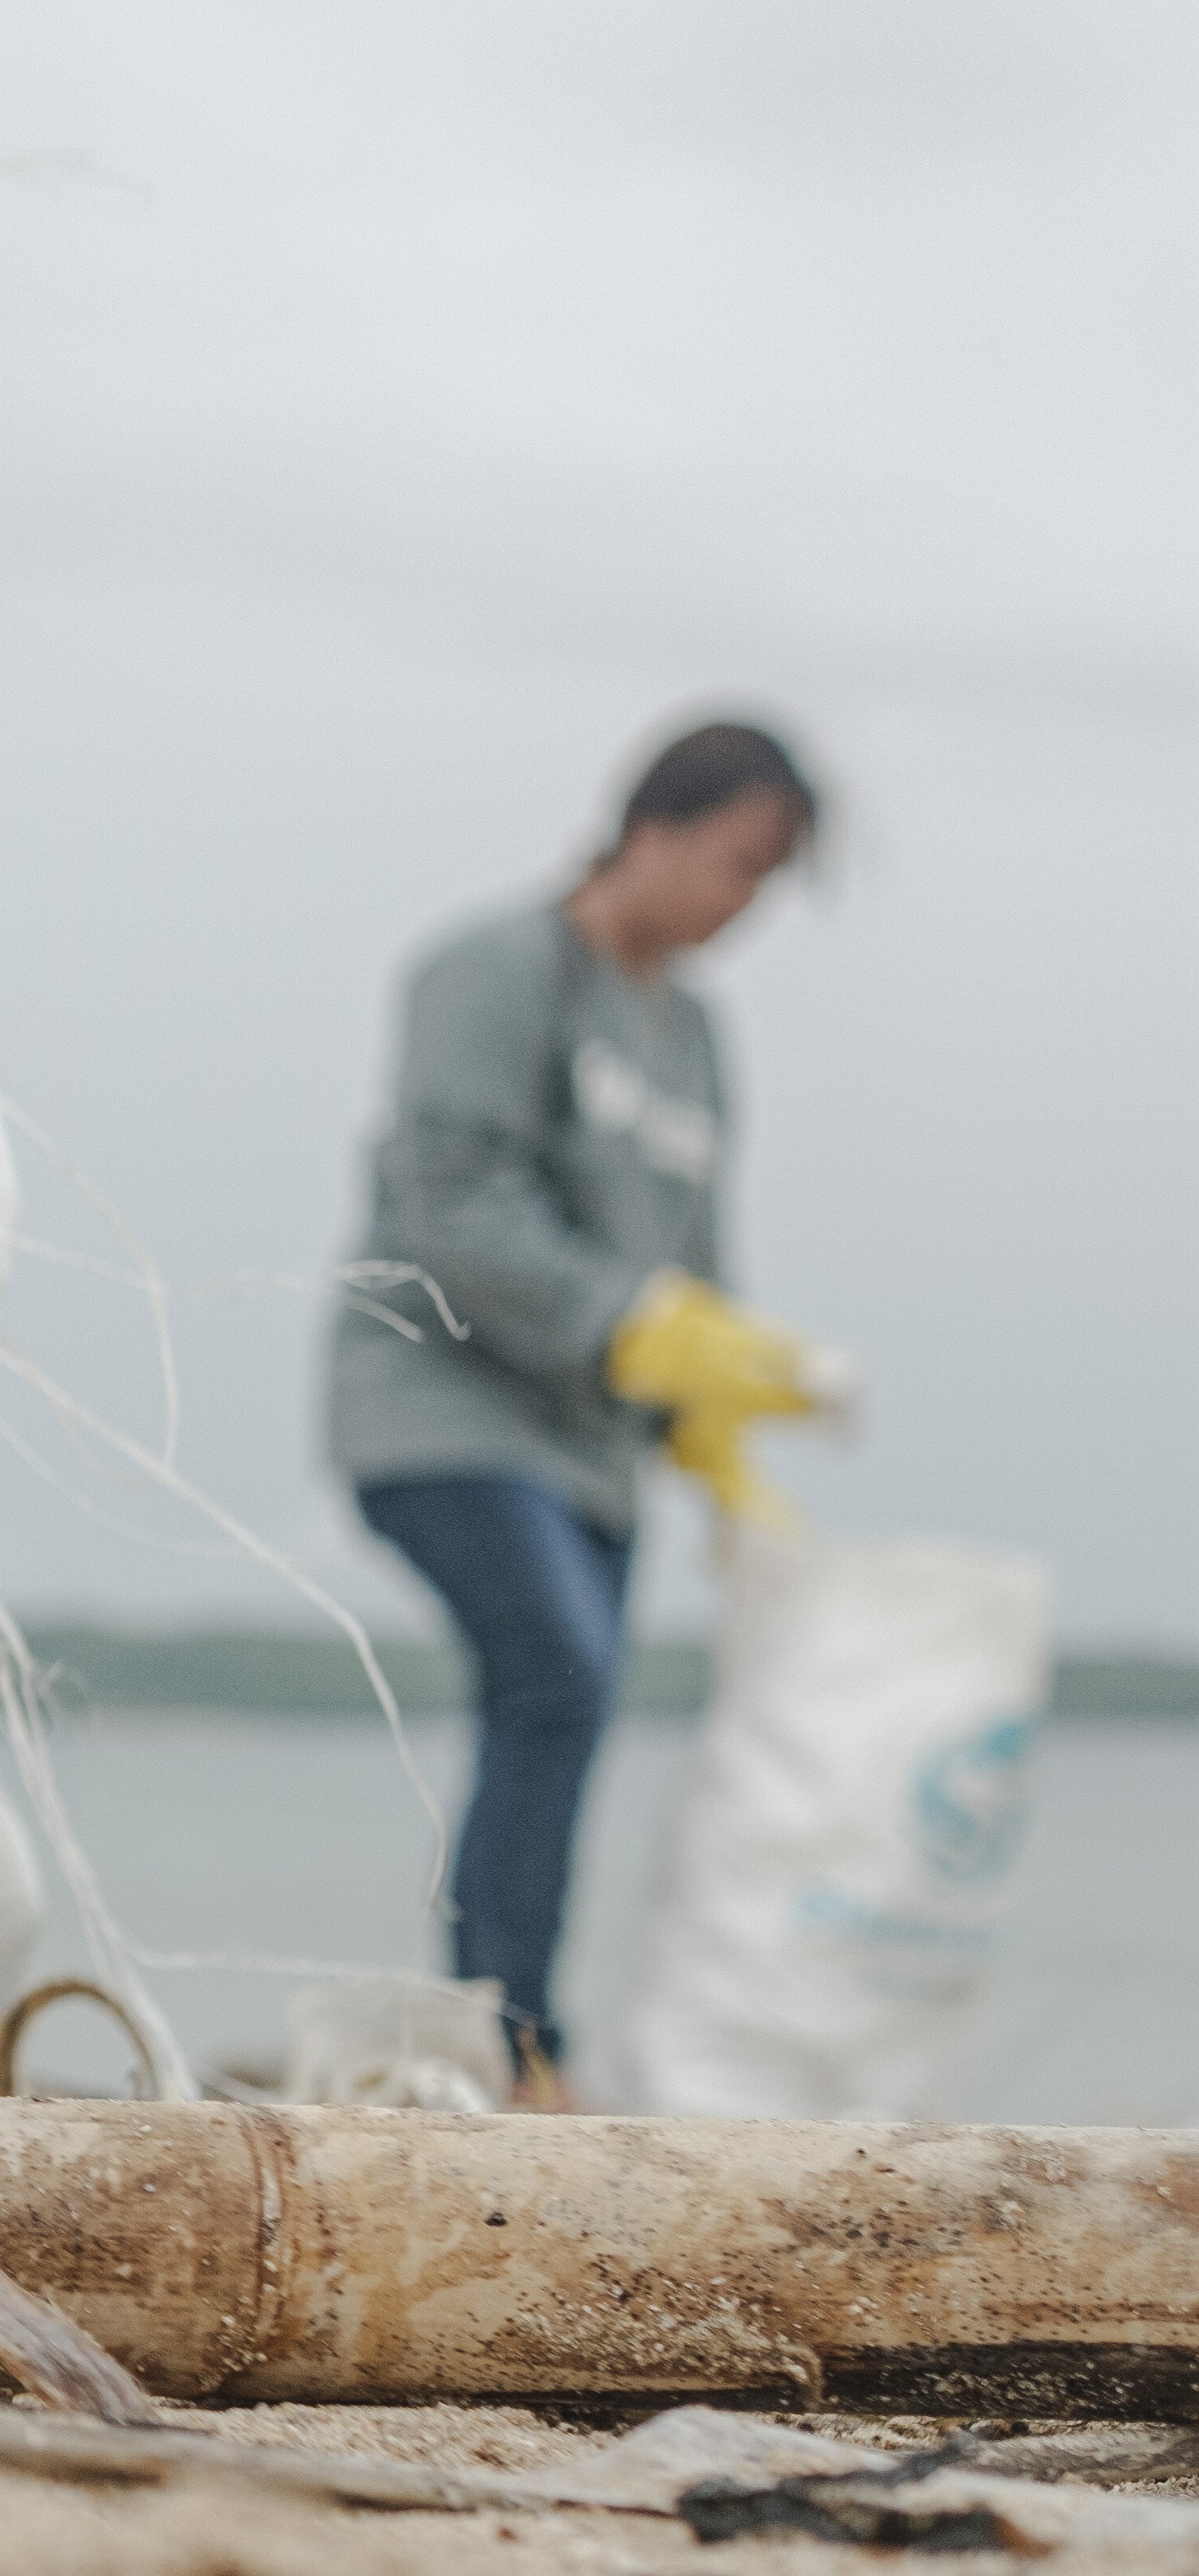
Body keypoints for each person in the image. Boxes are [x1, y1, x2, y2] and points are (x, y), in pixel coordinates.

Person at [324, 718, 844, 2099]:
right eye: (739, 864)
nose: (747, 906)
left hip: (593, 1449)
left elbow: (695, 1257)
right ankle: (506, 2040)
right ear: (654, 829)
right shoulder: (494, 970)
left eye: (770, 882)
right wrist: (636, 1323)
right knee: (557, 1668)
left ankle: (508, 2032)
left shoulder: (694, 1036)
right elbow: (449, 1207)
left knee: (571, 1709)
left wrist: (725, 1405)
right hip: (438, 1410)